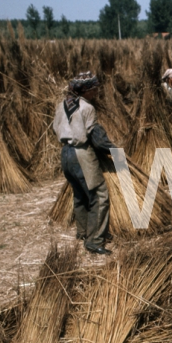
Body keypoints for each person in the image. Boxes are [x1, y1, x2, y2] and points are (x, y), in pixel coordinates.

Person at [53, 72, 116, 255]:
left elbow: (55, 128)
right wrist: (115, 153)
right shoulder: (87, 108)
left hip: (65, 153)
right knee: (99, 195)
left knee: (80, 194)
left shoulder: (61, 105)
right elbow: (97, 139)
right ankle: (94, 240)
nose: (97, 91)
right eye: (94, 88)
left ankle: (82, 232)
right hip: (81, 154)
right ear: (86, 90)